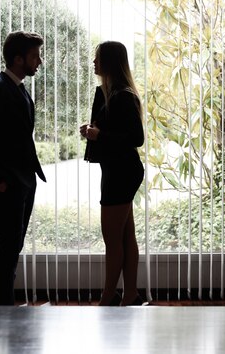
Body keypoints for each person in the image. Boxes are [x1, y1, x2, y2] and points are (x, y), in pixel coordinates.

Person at [0, 31, 47, 305]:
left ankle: (5, 307)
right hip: (8, 184)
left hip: (25, 182)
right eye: (35, 56)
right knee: (7, 249)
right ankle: (0, 309)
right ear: (18, 59)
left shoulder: (19, 88)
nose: (39, 62)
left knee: (13, 248)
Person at [80, 41, 145, 306]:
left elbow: (136, 138)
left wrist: (100, 135)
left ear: (109, 61)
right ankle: (129, 294)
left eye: (97, 58)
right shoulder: (111, 92)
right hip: (119, 170)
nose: (93, 62)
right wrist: (94, 131)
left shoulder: (123, 94)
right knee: (125, 236)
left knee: (112, 239)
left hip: (121, 172)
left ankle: (108, 296)